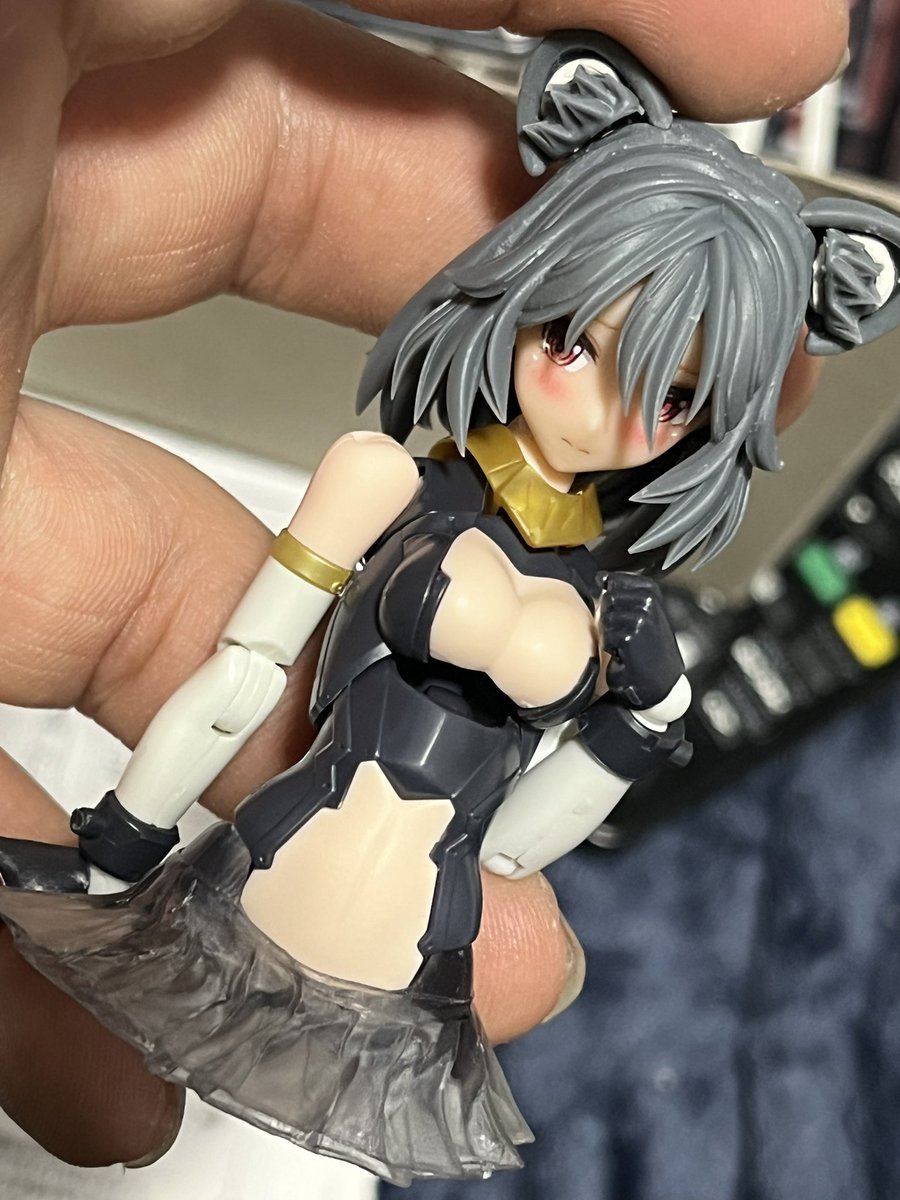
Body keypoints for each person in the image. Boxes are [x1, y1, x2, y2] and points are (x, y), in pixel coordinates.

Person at [0, 0, 851, 1175]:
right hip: (269, 863)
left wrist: (646, 723)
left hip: (419, 950)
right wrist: (122, 844)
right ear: (526, 291)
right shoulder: (385, 482)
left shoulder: (609, 602)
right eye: (572, 339)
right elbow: (243, 673)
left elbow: (510, 851)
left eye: (668, 398)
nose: (599, 409)